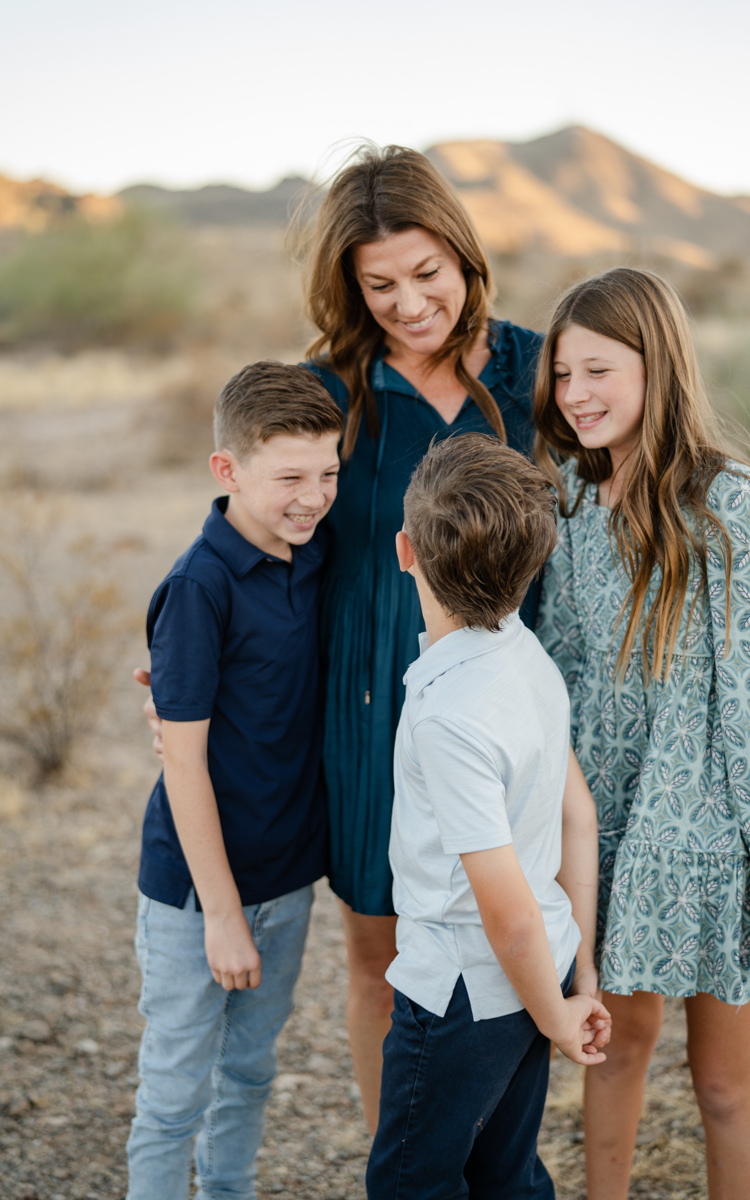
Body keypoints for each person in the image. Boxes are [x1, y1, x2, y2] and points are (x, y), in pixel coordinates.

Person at [139, 145, 551, 1130]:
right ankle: (396, 1167)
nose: (409, 304)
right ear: (349, 286)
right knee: (381, 950)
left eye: (426, 274)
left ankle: (490, 1162)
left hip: (504, 698)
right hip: (369, 709)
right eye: (379, 285)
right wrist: (191, 641)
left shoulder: (534, 369)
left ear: (462, 253)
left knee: (511, 939)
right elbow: (257, 509)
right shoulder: (332, 385)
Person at [533, 267, 750, 1200]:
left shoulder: (732, 509)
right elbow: (548, 665)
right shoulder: (567, 502)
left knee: (723, 1076)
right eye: (563, 376)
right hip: (603, 828)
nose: (577, 396)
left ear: (659, 365)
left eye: (599, 370)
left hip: (714, 837)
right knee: (616, 1044)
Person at [366, 433, 611, 1200]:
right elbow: (580, 817)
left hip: (466, 991)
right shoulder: (525, 653)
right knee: (505, 1175)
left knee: (411, 1180)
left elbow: (501, 913)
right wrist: (578, 977)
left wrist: (559, 1015)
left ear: (405, 550)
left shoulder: (451, 712)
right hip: (545, 963)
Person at [126, 363, 343, 1200]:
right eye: (290, 476)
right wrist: (221, 915)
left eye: (327, 473)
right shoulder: (197, 587)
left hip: (286, 879)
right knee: (176, 1089)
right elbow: (181, 760)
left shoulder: (315, 555)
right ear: (228, 471)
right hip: (196, 895)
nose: (313, 496)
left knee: (250, 1074)